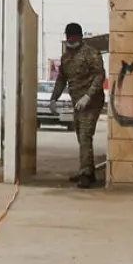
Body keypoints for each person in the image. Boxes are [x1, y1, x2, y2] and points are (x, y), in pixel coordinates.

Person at [50, 22, 106, 189]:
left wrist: (88, 96)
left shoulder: (90, 53)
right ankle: (87, 170)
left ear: (80, 37)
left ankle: (85, 175)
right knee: (81, 137)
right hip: (77, 104)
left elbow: (100, 75)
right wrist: (54, 98)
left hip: (92, 102)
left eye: (74, 36)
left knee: (85, 136)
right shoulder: (66, 57)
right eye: (69, 37)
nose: (71, 39)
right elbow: (61, 79)